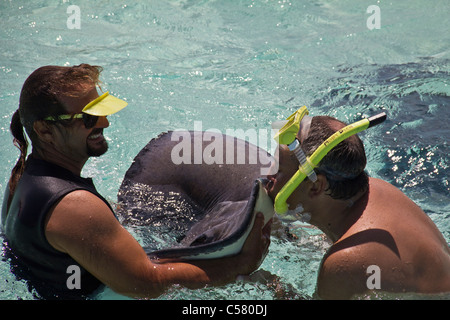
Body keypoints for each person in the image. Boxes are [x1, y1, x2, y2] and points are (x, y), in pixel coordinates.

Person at [1, 64, 271, 299]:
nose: (105, 122)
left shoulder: (23, 178)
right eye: (89, 117)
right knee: (269, 286)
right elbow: (147, 283)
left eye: (103, 110)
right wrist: (241, 263)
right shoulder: (74, 207)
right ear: (45, 130)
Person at [266, 114, 450, 299]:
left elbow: (357, 261)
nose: (268, 175)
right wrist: (288, 236)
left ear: (315, 186)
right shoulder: (378, 189)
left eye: (278, 169)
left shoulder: (343, 264)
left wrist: (267, 284)